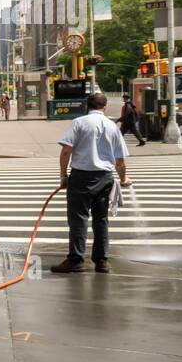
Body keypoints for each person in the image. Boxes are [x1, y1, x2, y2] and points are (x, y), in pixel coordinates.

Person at [51, 92, 133, 274]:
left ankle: (76, 258)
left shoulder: (78, 123)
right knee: (101, 220)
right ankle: (102, 260)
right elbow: (120, 161)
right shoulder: (112, 127)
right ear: (104, 107)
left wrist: (63, 176)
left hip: (81, 176)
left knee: (78, 219)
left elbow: (66, 151)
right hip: (104, 177)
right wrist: (123, 179)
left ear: (87, 106)